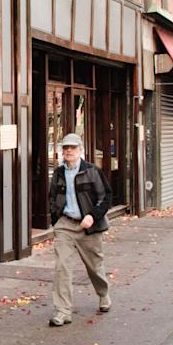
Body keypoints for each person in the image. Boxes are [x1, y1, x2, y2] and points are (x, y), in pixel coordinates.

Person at [47, 133, 113, 327]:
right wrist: (56, 219)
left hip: (89, 226)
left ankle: (103, 294)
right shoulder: (58, 173)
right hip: (66, 225)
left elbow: (106, 197)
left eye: (72, 148)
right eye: (65, 148)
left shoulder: (92, 171)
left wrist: (92, 215)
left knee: (95, 266)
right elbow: (52, 197)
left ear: (80, 150)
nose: (68, 151)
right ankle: (63, 311)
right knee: (62, 267)